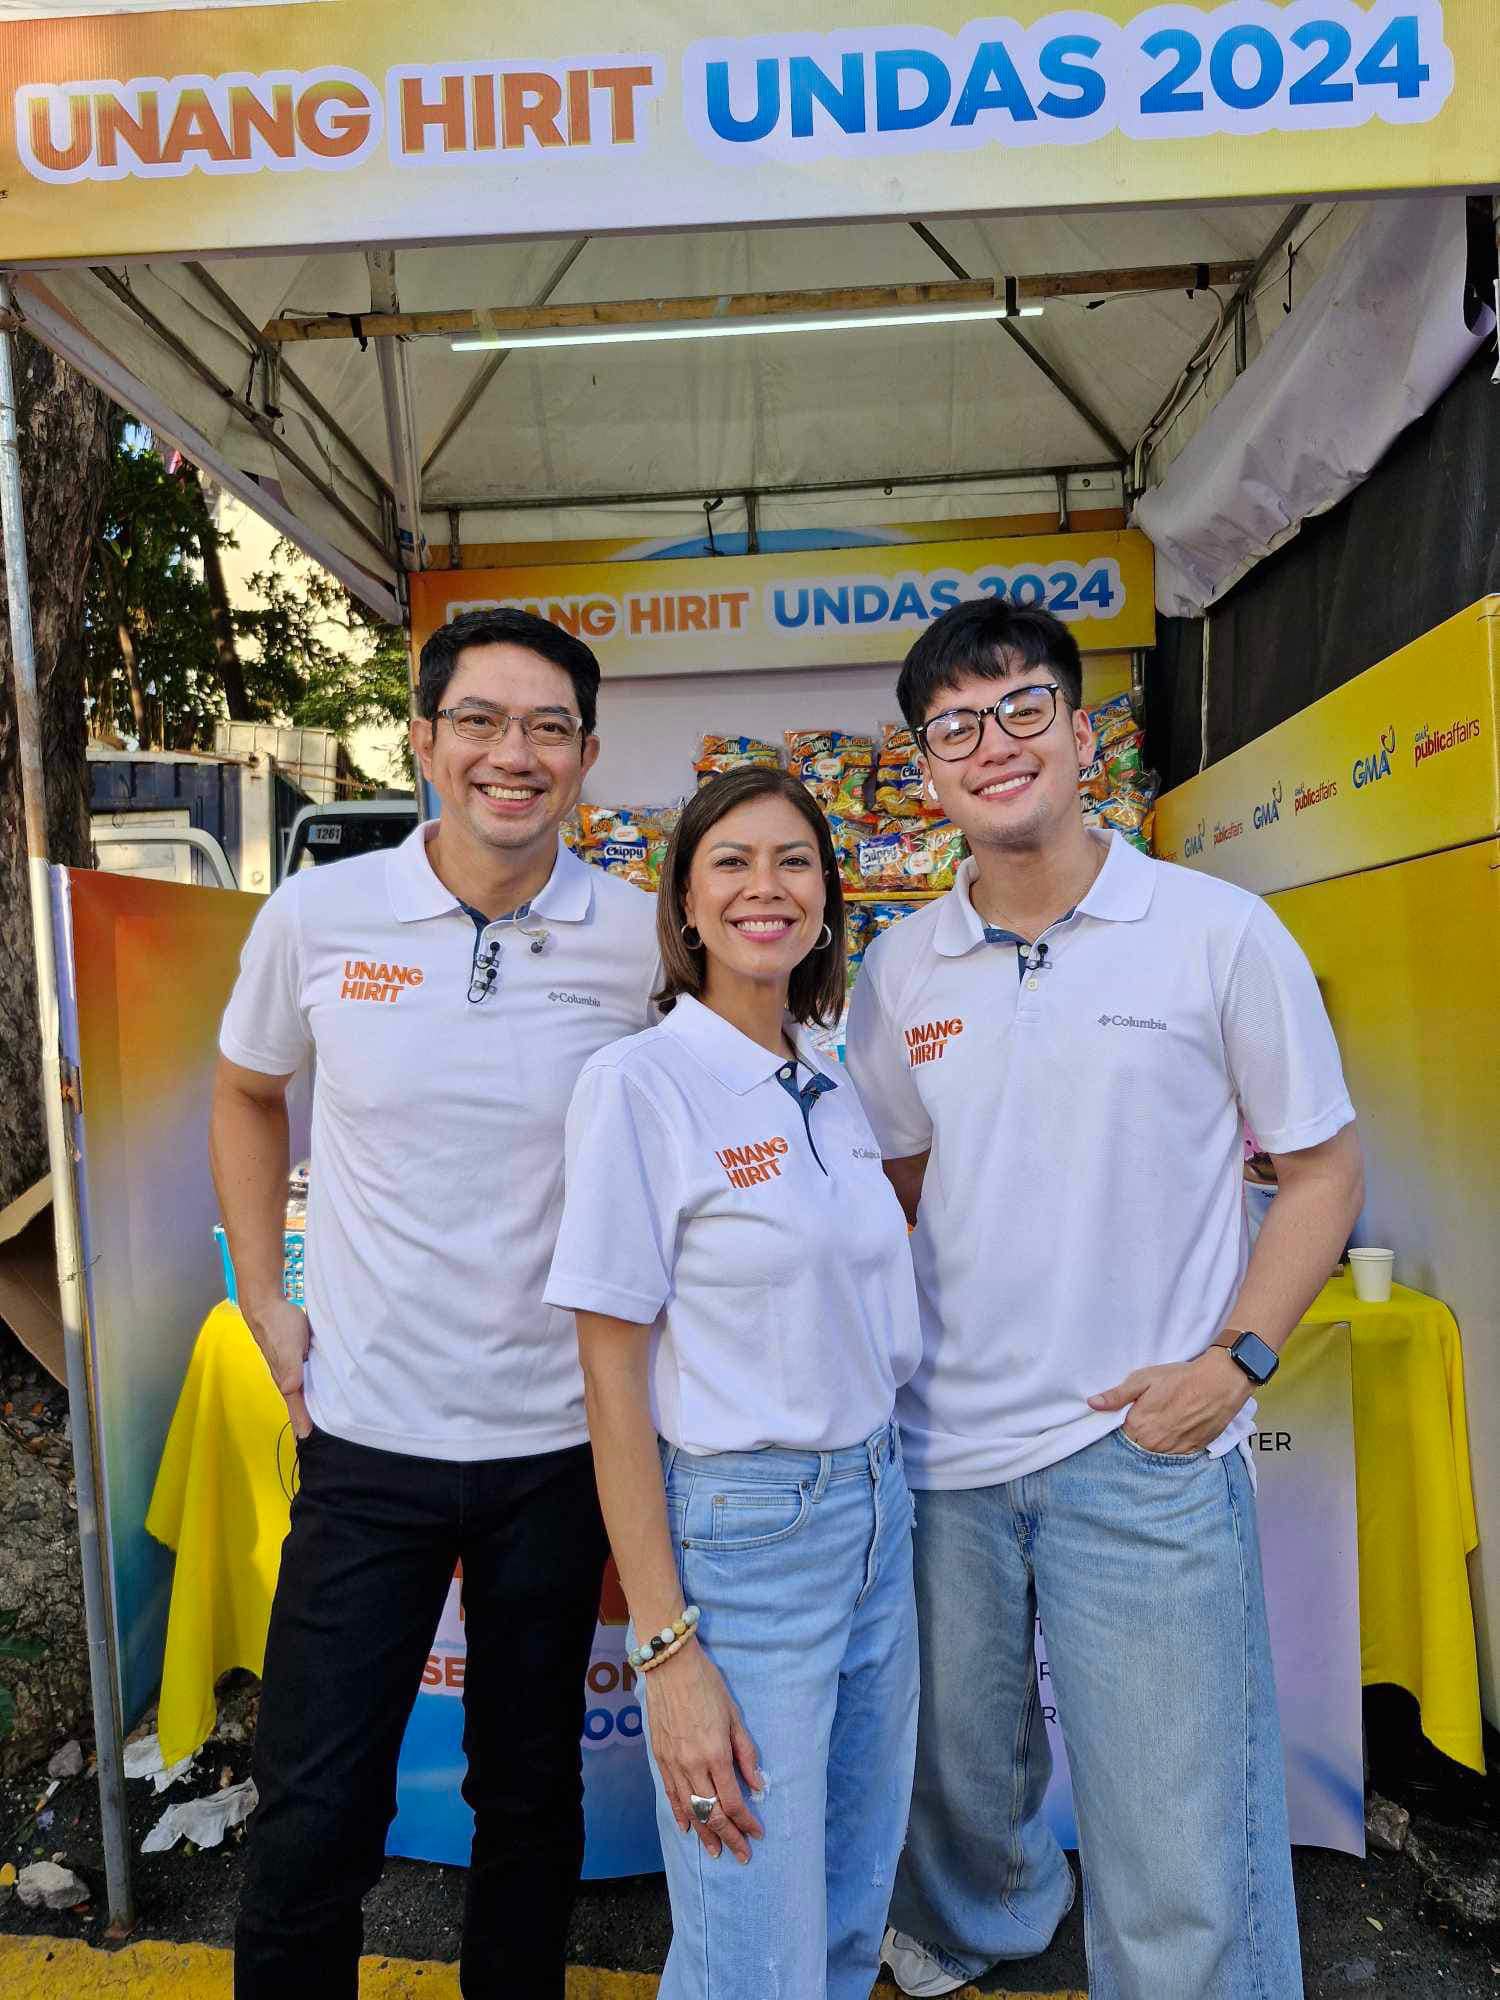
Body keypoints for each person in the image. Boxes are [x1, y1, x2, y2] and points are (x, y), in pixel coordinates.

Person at [844, 599, 1364, 2000]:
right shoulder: (901, 969)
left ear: (1085, 736)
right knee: (957, 1781)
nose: (994, 744)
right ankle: (982, 1926)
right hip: (944, 1451)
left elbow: (1321, 1170)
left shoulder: (1215, 931)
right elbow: (896, 1182)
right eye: (955, 726)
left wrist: (1235, 1360)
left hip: (1143, 1448)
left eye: (1023, 708)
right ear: (926, 772)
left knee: (1179, 1829)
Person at [212, 606, 659, 2000]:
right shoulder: (320, 915)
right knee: (313, 1806)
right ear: (423, 738)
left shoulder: (641, 939)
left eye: (547, 728)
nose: (511, 754)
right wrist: (266, 1297)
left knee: (529, 1798)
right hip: (367, 1439)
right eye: (479, 720)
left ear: (586, 755)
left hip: (559, 1447)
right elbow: (246, 1090)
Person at [544, 767, 922, 2000]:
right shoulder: (640, 1085)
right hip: (748, 1541)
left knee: (848, 1910)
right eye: (733, 862)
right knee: (751, 1949)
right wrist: (667, 1651)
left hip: (879, 1510)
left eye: (795, 860)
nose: (768, 886)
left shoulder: (831, 1076)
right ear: (686, 906)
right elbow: (610, 1378)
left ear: (828, 900)